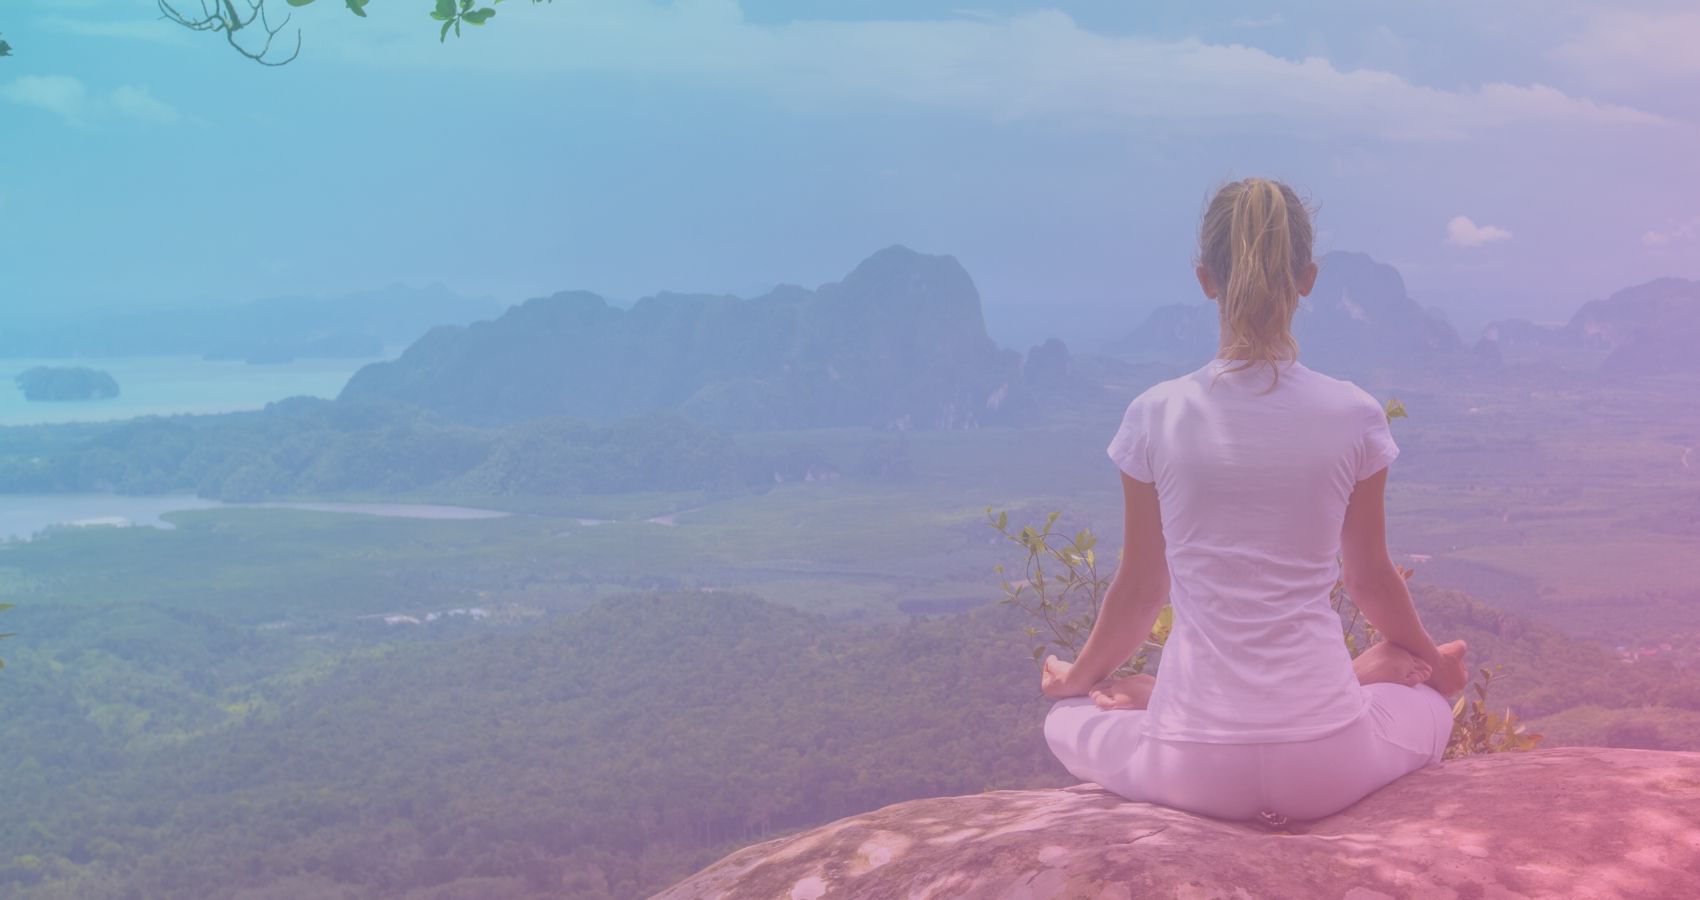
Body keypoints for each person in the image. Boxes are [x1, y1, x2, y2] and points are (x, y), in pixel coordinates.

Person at [1039, 177, 1470, 824]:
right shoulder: (1354, 415)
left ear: (1205, 278)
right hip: (1327, 761)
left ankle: (1167, 699)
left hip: (1190, 764)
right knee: (1430, 707)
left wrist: (1077, 679)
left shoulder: (1155, 415)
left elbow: (1141, 588)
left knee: (1066, 719)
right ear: (1308, 278)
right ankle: (1353, 681)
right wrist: (1434, 666)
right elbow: (1369, 580)